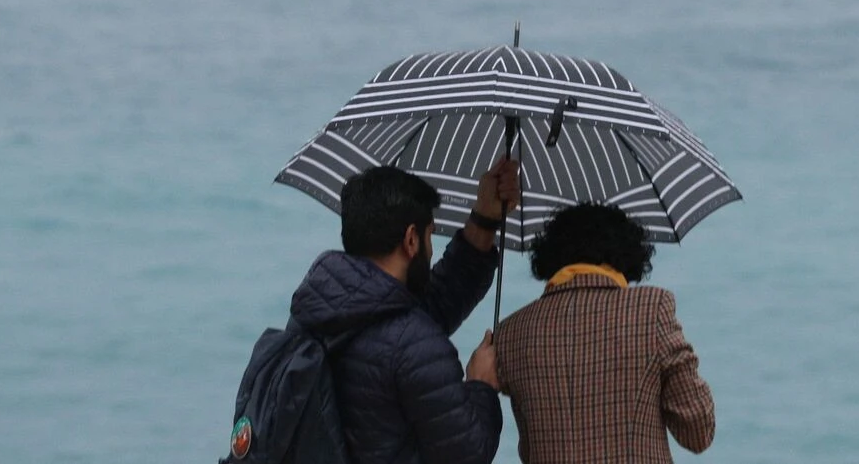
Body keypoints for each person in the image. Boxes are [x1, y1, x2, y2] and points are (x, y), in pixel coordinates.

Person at [289, 157, 519, 464]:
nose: (430, 247)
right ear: (411, 239)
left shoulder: (316, 310)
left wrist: (485, 219)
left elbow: (431, 306)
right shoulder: (411, 342)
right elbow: (469, 453)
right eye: (429, 235)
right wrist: (482, 386)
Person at [494, 202, 716, 464]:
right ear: (628, 254)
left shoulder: (510, 334)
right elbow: (698, 432)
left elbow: (527, 449)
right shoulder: (651, 309)